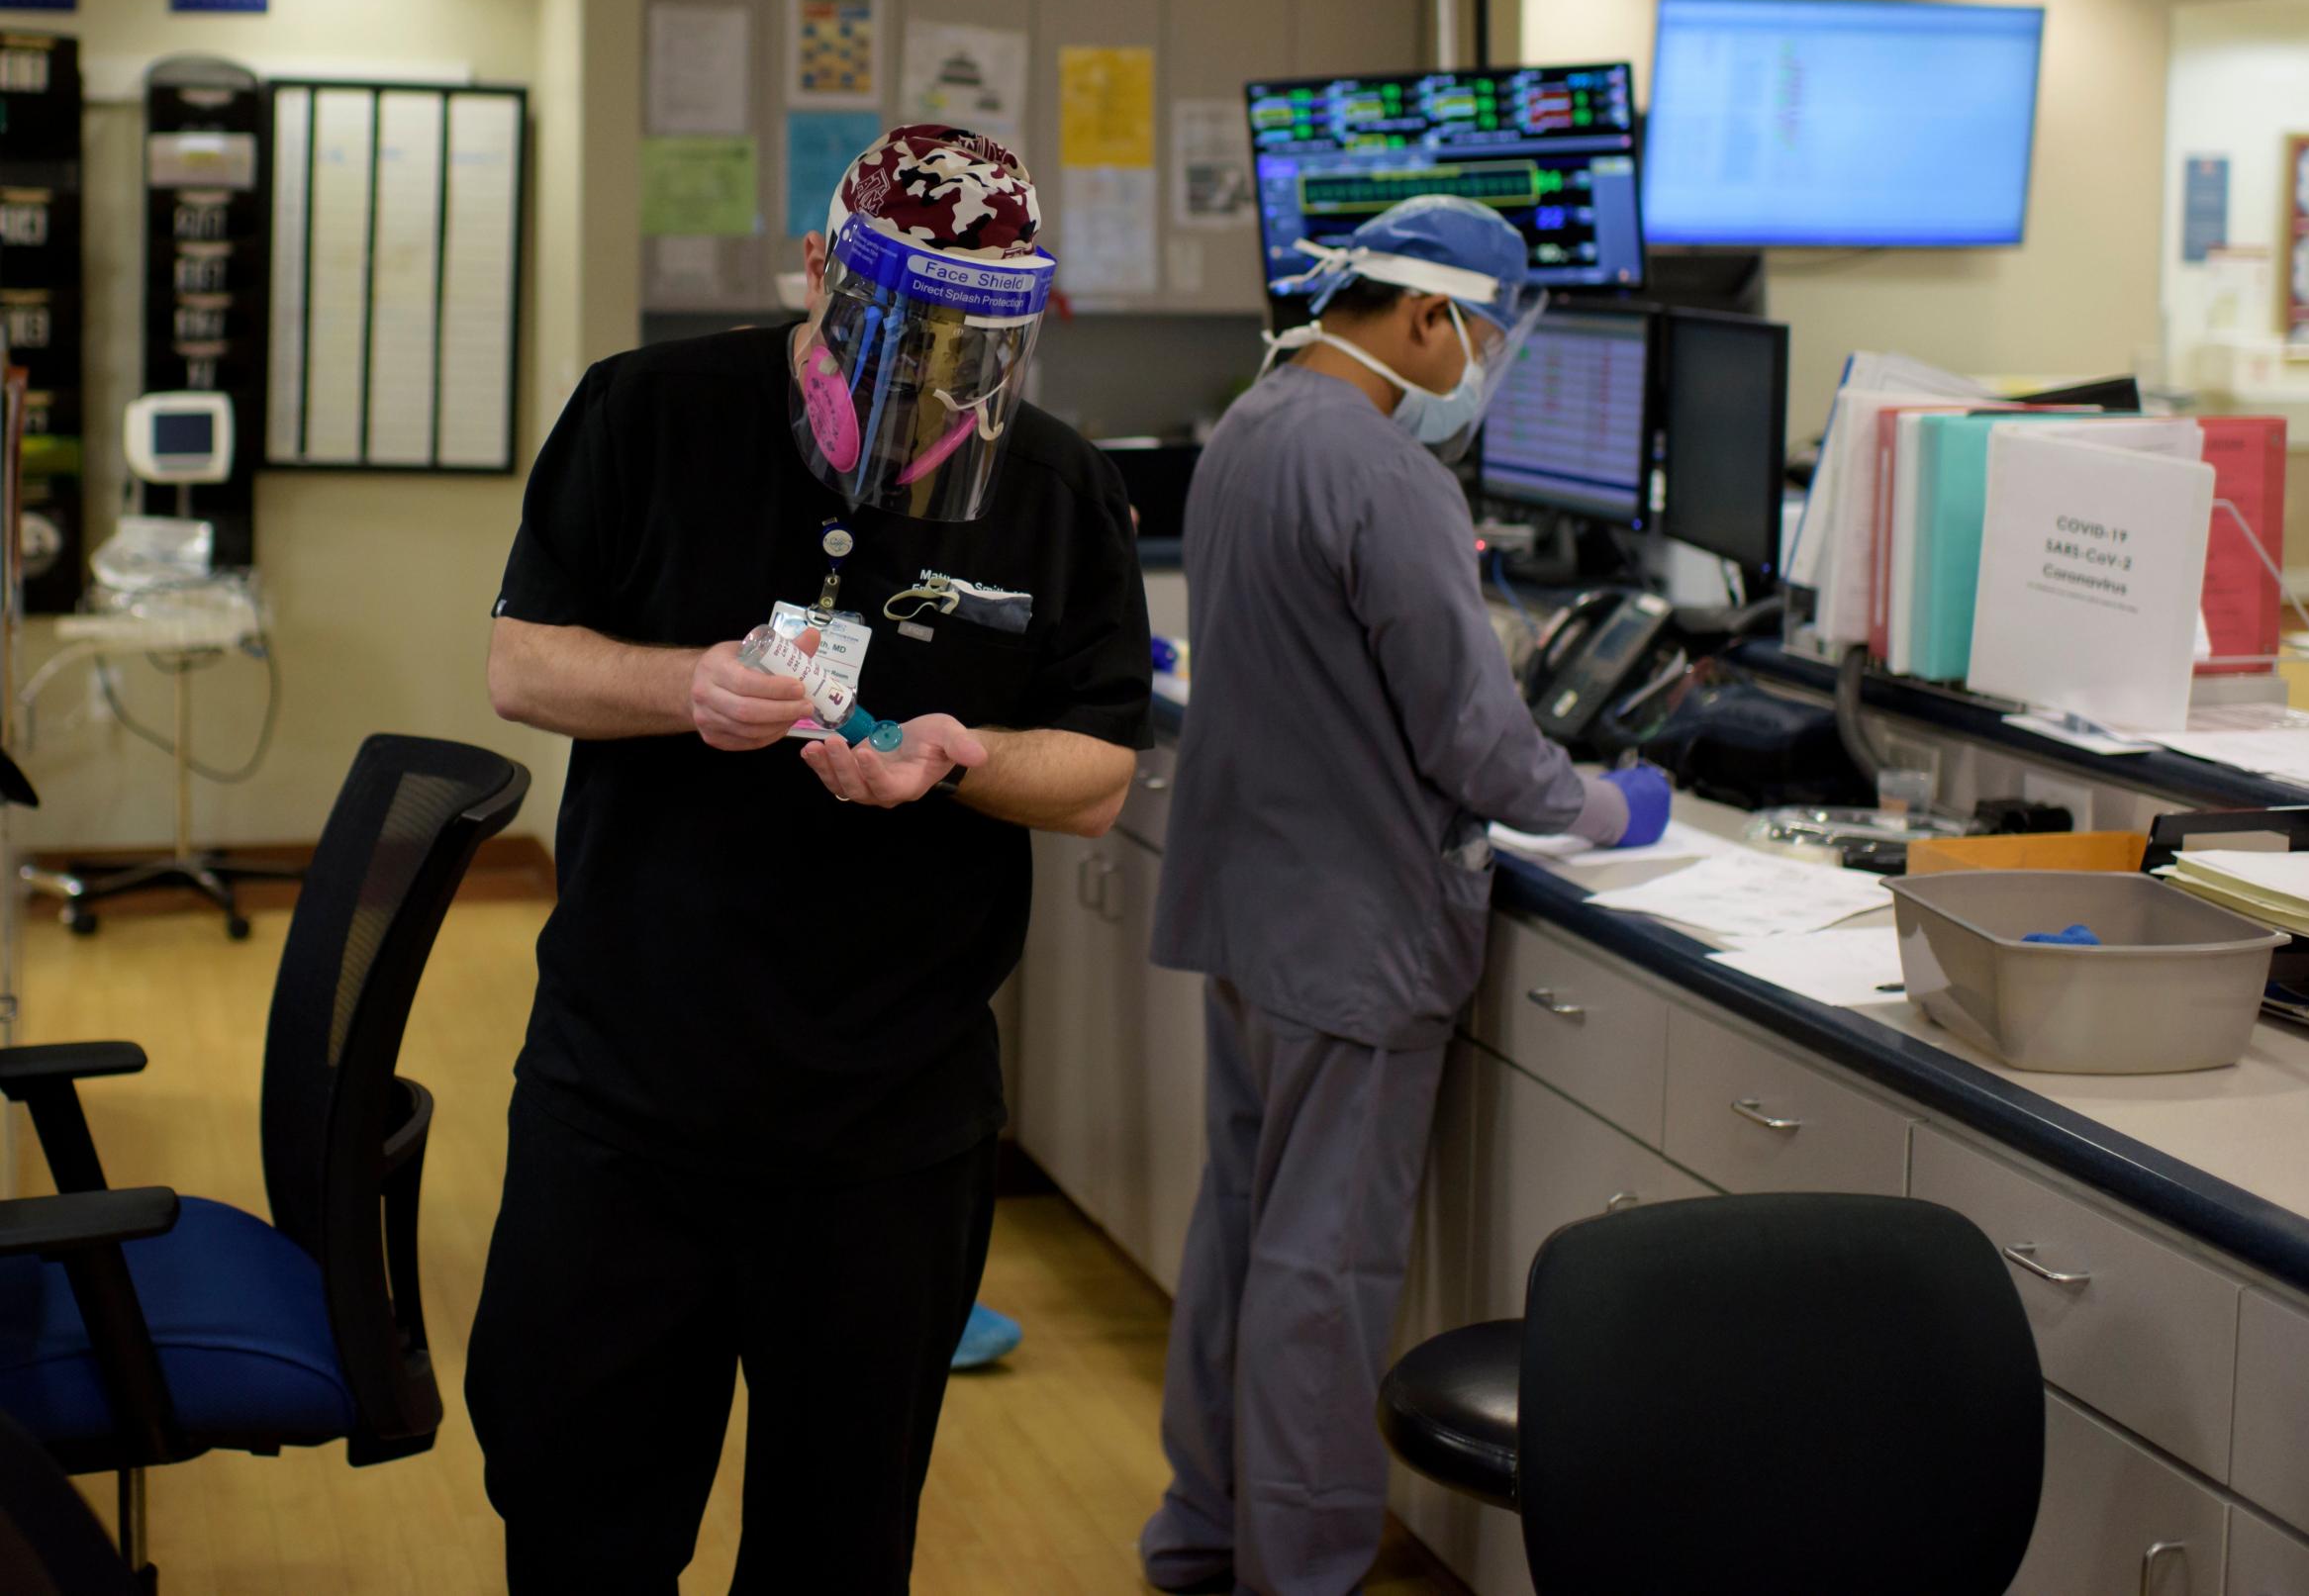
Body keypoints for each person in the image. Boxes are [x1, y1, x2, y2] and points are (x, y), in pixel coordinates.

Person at [466, 125, 1153, 1594]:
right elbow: (519, 666)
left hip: (885, 1124)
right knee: (580, 1516)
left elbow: (1095, 775)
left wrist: (961, 760)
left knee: (837, 1547)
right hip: (629, 1090)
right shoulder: (647, 412)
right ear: (817, 270)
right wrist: (687, 687)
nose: (928, 379)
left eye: (975, 343)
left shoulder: (1052, 485)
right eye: (903, 330)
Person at [1141, 195, 1670, 1596]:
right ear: (1428, 317)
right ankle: (1299, 1573)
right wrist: (1615, 803)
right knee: (1324, 1276)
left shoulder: (1251, 428)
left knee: (1243, 1228)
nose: (1479, 375)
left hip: (1254, 912)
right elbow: (1480, 743)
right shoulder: (1385, 475)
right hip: (1357, 933)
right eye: (1484, 340)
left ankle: (1203, 1527)